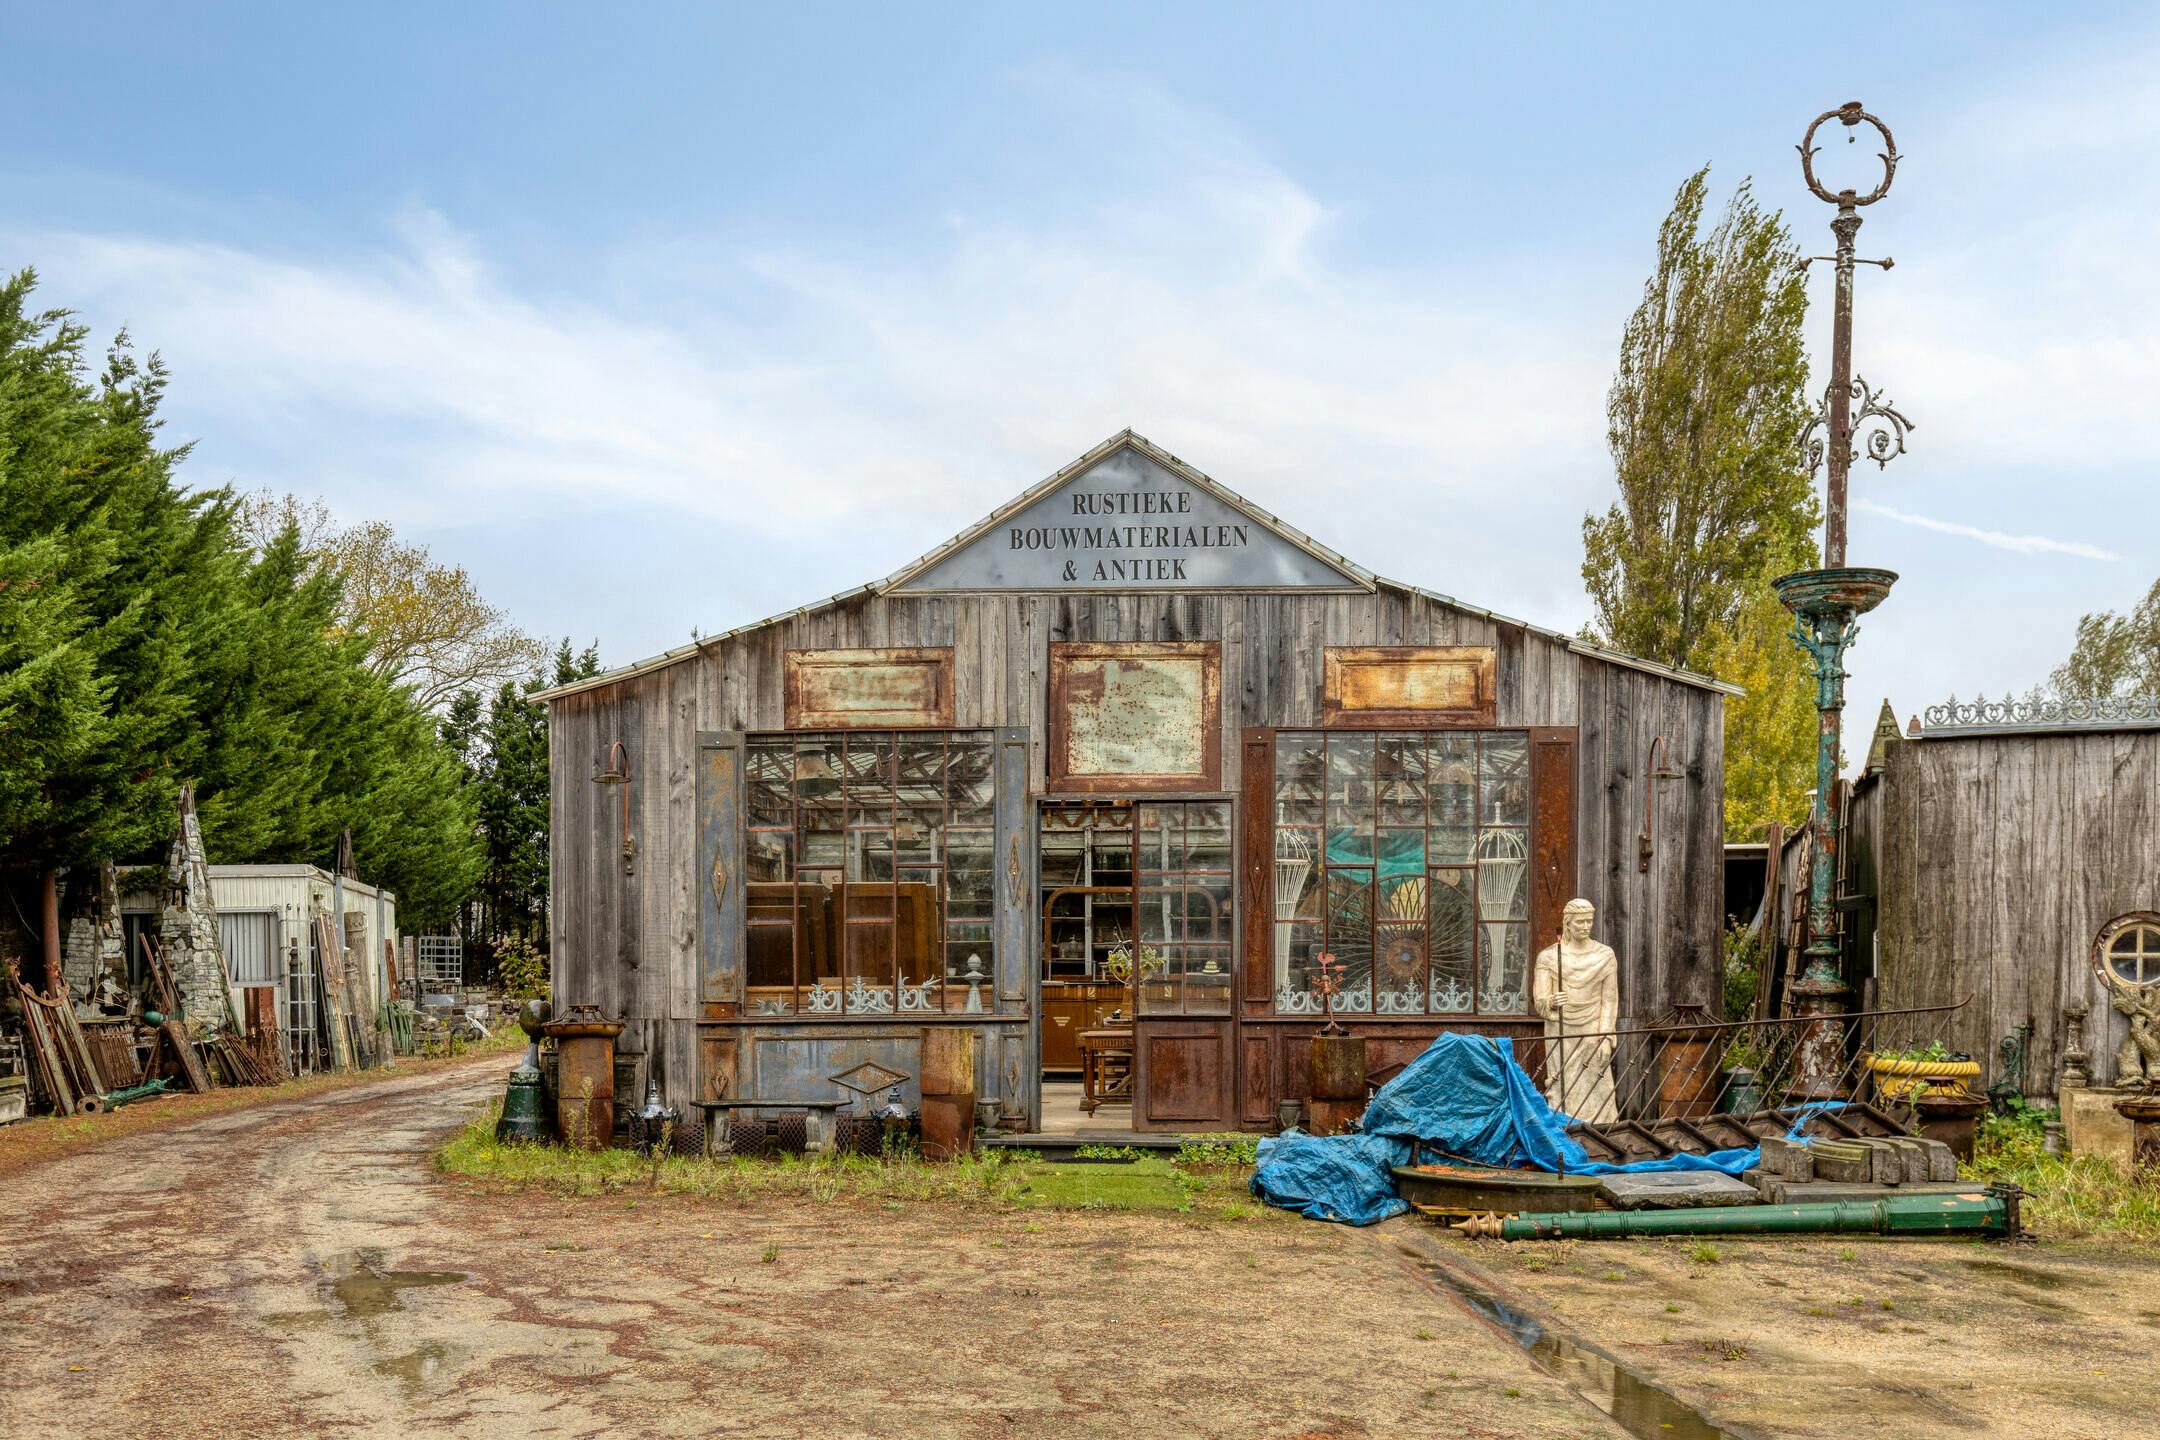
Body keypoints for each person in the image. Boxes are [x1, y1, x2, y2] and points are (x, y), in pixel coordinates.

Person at [1532, 898, 1620, 1123]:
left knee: (1598, 1082)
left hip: (1592, 1028)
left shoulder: (1605, 955)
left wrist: (1605, 1035)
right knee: (1562, 1082)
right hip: (1561, 1029)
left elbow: (1609, 999)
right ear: (1568, 923)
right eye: (1579, 922)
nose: (1585, 926)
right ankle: (1565, 1126)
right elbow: (1539, 999)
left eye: (1589, 921)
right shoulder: (1550, 957)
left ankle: (1602, 1127)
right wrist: (1551, 1000)